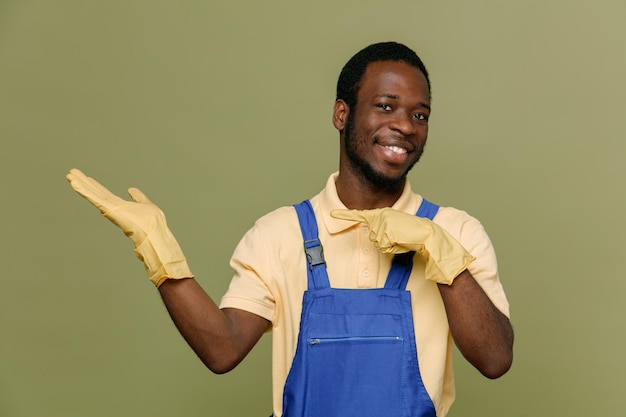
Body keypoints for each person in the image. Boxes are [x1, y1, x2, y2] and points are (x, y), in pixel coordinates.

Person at [67, 41, 513, 417]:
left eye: (420, 115)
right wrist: (159, 252)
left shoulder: (455, 230)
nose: (404, 125)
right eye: (385, 106)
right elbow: (222, 350)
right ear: (342, 114)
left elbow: (495, 360)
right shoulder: (280, 234)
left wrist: (441, 252)